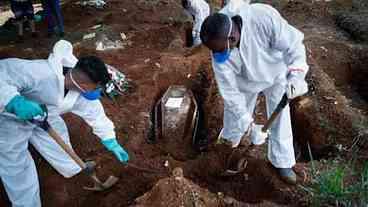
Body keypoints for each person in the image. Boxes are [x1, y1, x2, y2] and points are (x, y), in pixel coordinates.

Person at [0, 40, 129, 207]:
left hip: (43, 112)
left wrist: (110, 140)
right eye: (96, 88)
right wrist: (13, 100)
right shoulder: (39, 73)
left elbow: (96, 115)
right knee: (17, 164)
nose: (97, 92)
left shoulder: (81, 92)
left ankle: (73, 168)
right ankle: (27, 204)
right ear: (84, 84)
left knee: (58, 135)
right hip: (9, 117)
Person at [200, 4, 309, 184]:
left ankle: (282, 161)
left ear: (232, 37)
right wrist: (250, 128)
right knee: (234, 119)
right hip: (243, 82)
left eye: (220, 50)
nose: (217, 55)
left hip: (276, 72)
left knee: (280, 114)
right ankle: (227, 151)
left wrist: (297, 75)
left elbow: (293, 45)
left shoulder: (262, 18)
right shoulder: (218, 48)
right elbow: (230, 94)